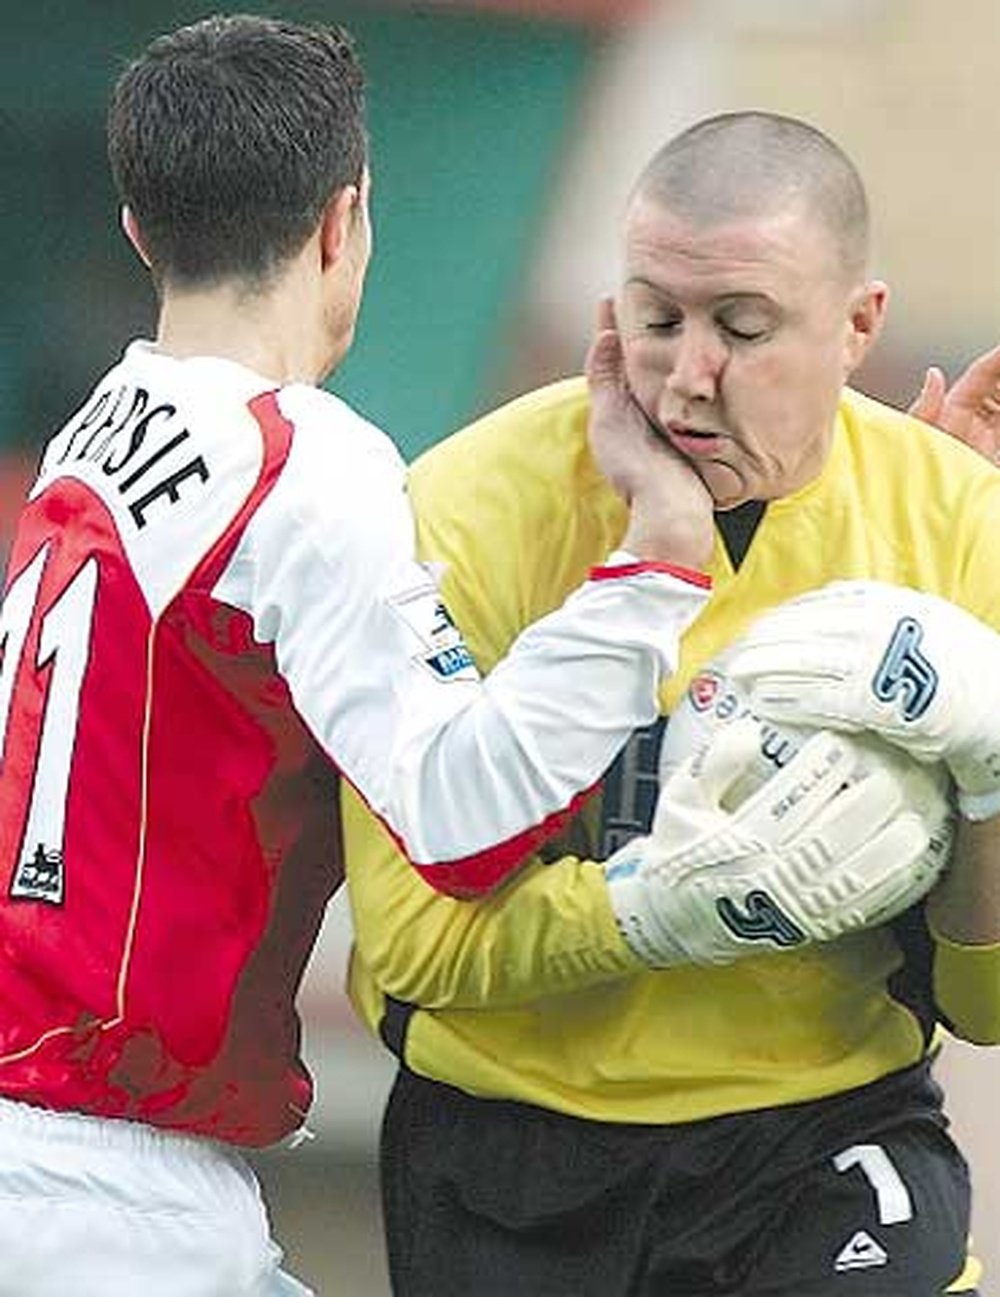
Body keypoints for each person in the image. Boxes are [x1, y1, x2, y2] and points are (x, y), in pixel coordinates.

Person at [0, 21, 909, 1297]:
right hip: (114, 1192)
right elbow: (462, 815)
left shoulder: (91, 435)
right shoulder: (300, 464)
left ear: (141, 229)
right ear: (344, 222)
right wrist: (657, 552)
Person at [344, 111, 1000, 1296]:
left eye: (743, 328)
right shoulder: (461, 509)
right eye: (656, 319)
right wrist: (652, 912)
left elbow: (988, 1006)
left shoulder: (959, 526)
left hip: (815, 1137)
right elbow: (413, 946)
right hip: (505, 1152)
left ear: (859, 326)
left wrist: (993, 773)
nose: (689, 376)